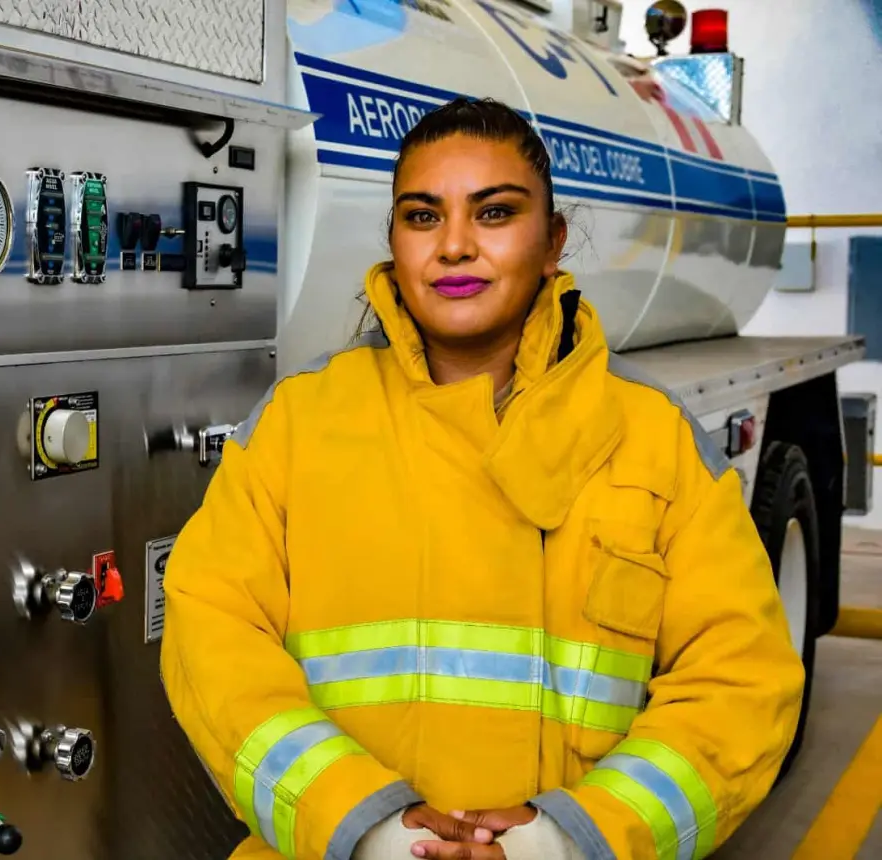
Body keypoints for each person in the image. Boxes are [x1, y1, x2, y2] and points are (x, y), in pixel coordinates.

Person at [158, 97, 804, 860]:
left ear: (554, 239)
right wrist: (358, 826)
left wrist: (573, 841)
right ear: (394, 238)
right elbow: (212, 634)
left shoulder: (652, 438)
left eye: (494, 214)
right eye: (423, 217)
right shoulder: (300, 424)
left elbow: (742, 679)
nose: (455, 247)